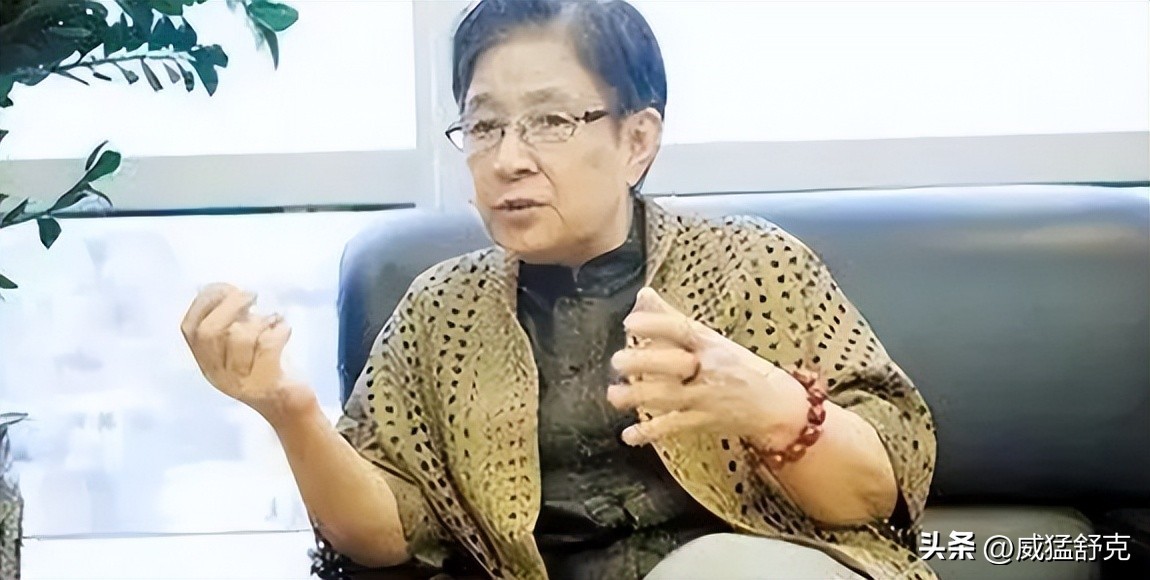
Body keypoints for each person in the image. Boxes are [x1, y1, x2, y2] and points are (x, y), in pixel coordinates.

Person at [180, 1, 937, 578]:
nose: (508, 158)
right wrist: (289, 410)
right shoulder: (439, 312)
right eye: (484, 127)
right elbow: (387, 535)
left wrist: (771, 407)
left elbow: (878, 493)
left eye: (548, 121)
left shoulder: (750, 266)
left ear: (636, 141)